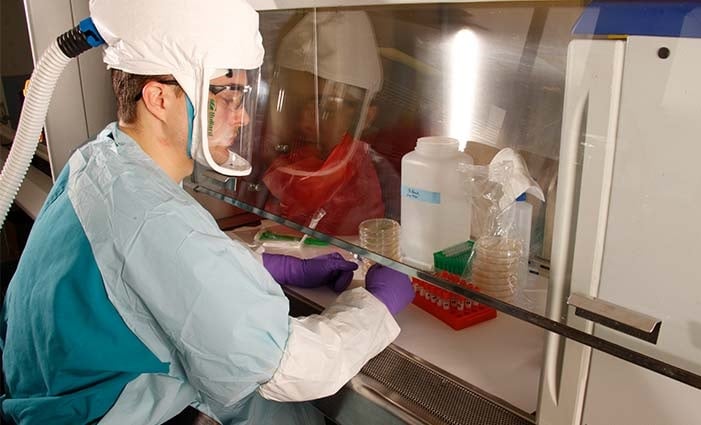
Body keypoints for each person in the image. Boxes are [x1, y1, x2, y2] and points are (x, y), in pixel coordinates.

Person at [0, 1, 414, 424]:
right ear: (159, 98)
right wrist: (375, 306)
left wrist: (265, 263)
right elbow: (290, 369)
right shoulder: (154, 219)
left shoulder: (101, 161)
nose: (243, 115)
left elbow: (155, 271)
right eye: (226, 94)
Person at [258, 11, 394, 236]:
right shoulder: (279, 167)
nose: (304, 122)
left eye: (325, 110)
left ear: (366, 116)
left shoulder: (381, 184)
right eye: (294, 104)